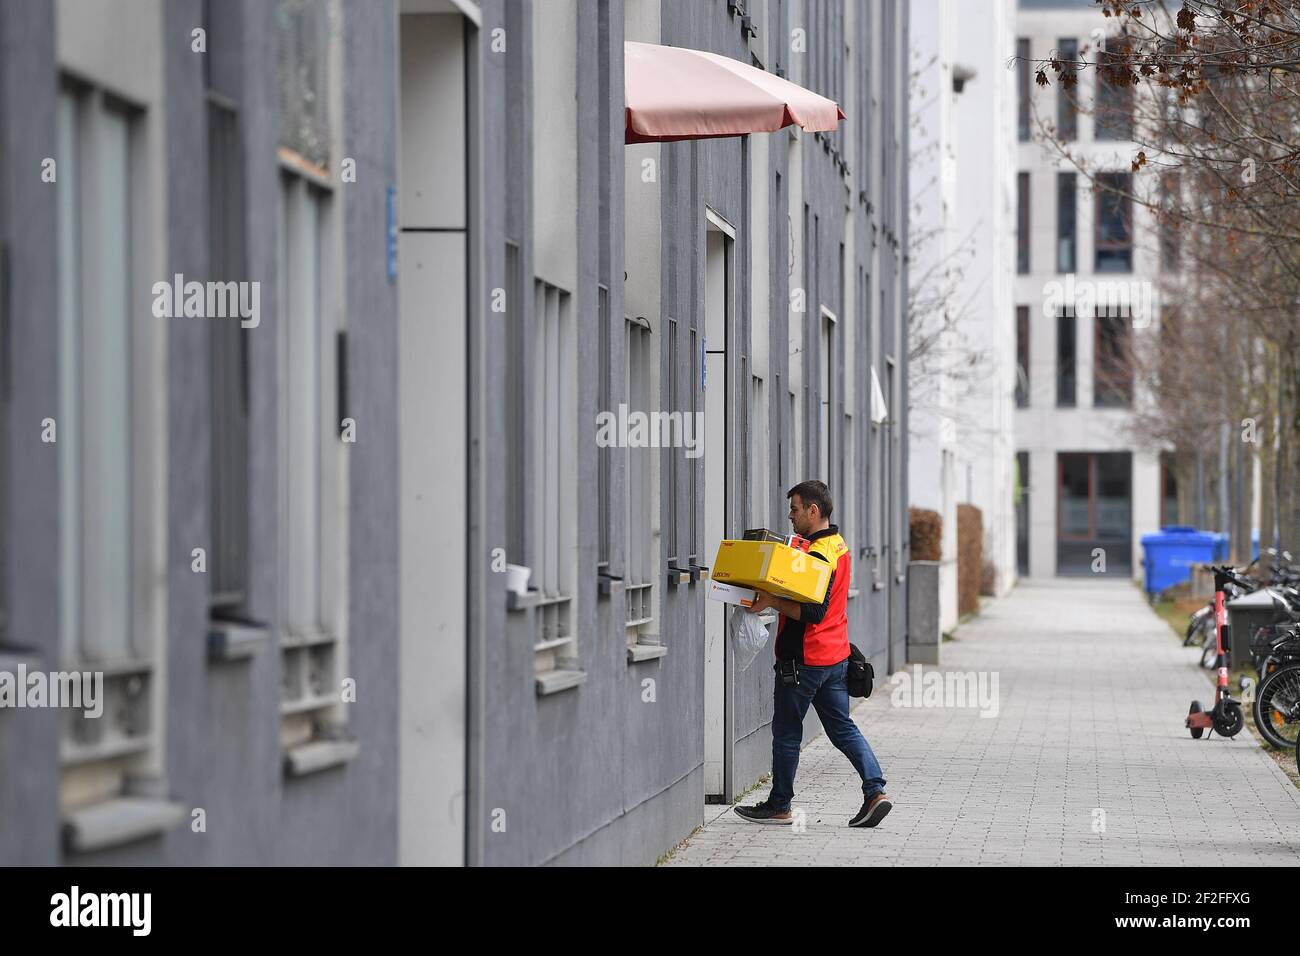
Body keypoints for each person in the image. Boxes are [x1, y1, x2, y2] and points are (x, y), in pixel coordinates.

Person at [734, 479, 892, 828]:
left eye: (794, 509)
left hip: (804, 660)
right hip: (835, 657)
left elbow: (815, 611)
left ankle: (779, 804)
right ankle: (875, 790)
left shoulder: (818, 556)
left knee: (787, 733)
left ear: (813, 510)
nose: (790, 516)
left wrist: (773, 600)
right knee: (843, 729)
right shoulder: (837, 545)